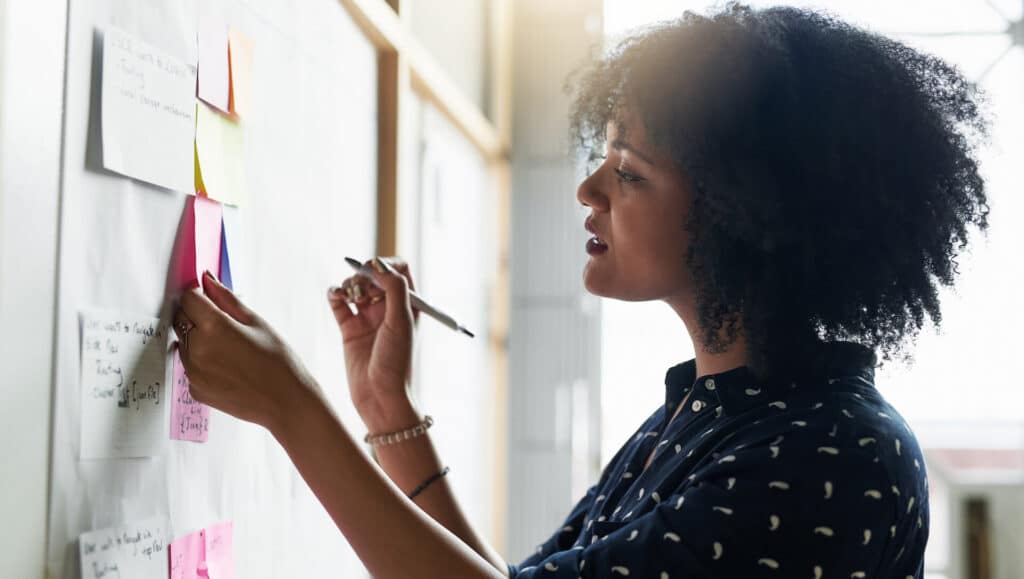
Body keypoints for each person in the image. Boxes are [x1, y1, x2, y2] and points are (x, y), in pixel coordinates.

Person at [172, 3, 990, 577]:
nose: (589, 189)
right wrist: (389, 412)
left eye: (629, 171)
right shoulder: (710, 412)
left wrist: (293, 406)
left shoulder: (835, 457)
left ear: (746, 215)